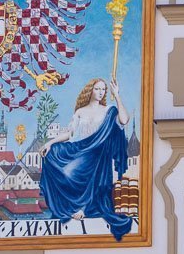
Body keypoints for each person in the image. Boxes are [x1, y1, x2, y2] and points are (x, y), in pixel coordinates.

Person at [41, 78, 133, 241]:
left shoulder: (109, 110)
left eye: (103, 90)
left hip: (98, 154)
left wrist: (117, 95)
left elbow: (124, 120)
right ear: (90, 90)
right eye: (97, 89)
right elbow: (69, 134)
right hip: (81, 149)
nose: (100, 92)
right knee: (55, 157)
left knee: (87, 171)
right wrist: (50, 143)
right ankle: (73, 206)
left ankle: (83, 208)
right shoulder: (80, 112)